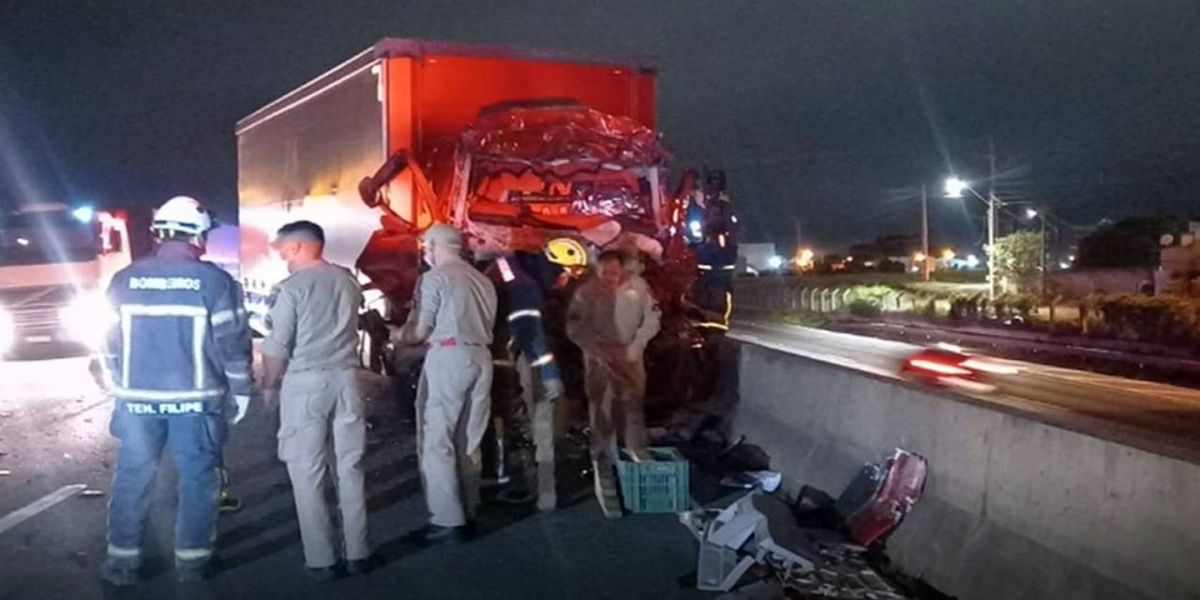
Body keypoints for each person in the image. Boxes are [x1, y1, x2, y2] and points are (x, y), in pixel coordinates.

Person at [100, 196, 253, 586]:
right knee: (198, 481)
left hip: (136, 403)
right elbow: (232, 344)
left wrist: (119, 384)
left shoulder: (125, 280)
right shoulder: (214, 282)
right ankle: (193, 563)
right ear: (199, 236)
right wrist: (241, 391)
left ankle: (121, 564)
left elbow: (108, 343)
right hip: (195, 403)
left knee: (132, 479)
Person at [260, 220, 372, 581]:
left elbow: (277, 345)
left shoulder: (290, 289)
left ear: (297, 247)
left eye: (281, 247)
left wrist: (270, 385)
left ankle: (322, 559)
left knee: (307, 471)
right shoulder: (346, 281)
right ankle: (359, 552)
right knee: (350, 469)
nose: (278, 253)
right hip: (347, 380)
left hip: (305, 383)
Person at [392, 224, 497, 545]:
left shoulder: (434, 279)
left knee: (438, 439)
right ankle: (469, 508)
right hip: (481, 358)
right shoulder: (483, 280)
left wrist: (398, 336)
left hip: (448, 358)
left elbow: (420, 331)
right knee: (469, 438)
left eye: (426, 247)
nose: (425, 253)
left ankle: (447, 520)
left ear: (434, 246)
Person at [485, 238, 589, 510]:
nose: (567, 280)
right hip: (505, 358)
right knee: (529, 423)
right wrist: (550, 372)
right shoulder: (528, 286)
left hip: (487, 352)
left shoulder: (509, 266)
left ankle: (500, 479)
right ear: (556, 266)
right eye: (569, 273)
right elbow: (532, 335)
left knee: (499, 421)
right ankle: (536, 489)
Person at [566, 250, 661, 518]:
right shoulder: (586, 293)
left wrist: (638, 344)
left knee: (632, 404)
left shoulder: (638, 287)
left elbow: (652, 318)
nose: (611, 277)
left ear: (622, 269)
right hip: (598, 357)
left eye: (615, 272)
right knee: (601, 407)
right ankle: (602, 455)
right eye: (605, 272)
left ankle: (635, 450)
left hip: (630, 354)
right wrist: (595, 350)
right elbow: (574, 327)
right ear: (598, 270)